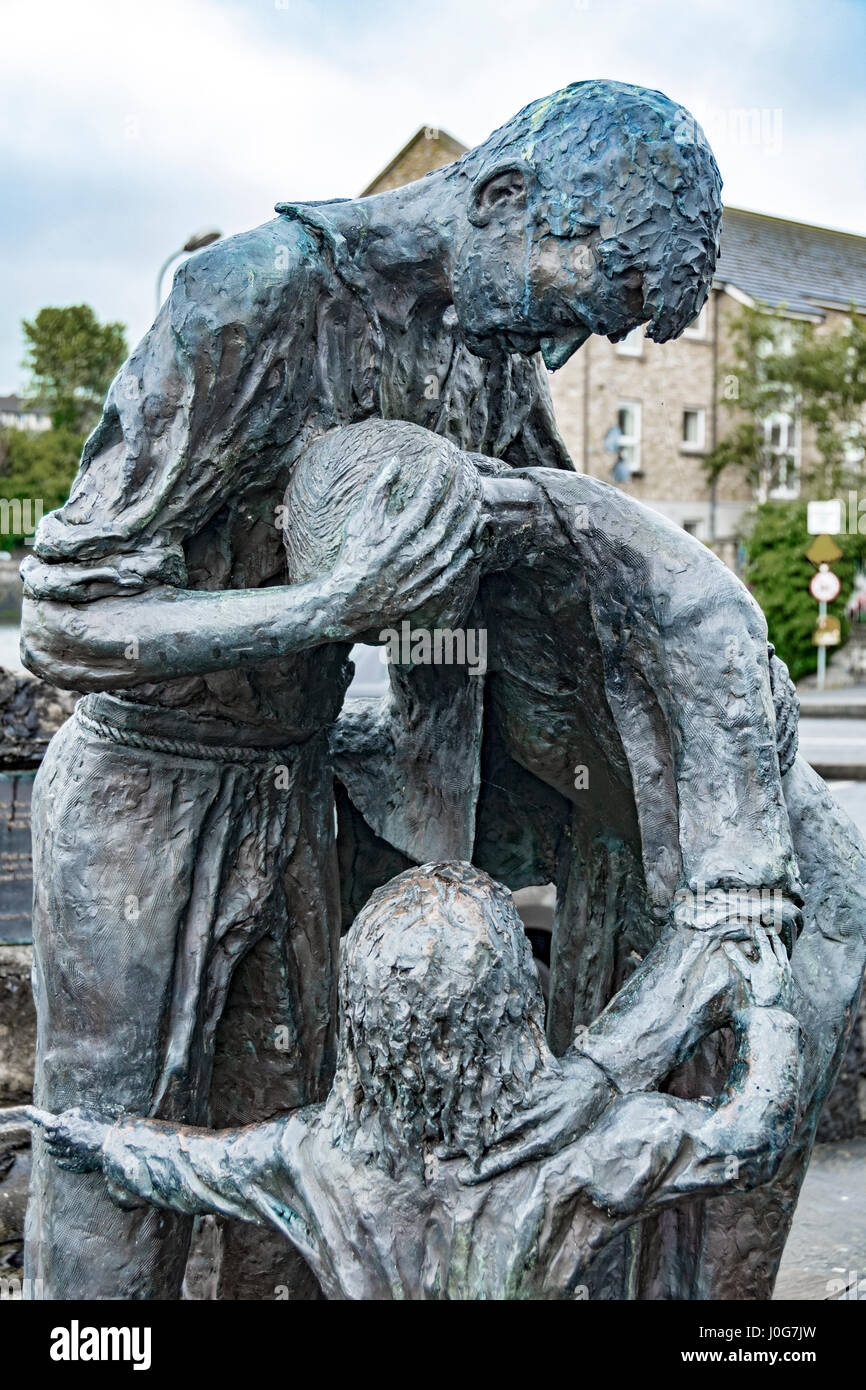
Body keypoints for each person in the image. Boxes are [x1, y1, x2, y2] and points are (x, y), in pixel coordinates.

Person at [20, 78, 724, 1298]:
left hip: (293, 795)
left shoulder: (490, 356)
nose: (567, 351)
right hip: (142, 798)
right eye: (582, 301)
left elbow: (525, 587)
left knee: (295, 1206)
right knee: (112, 1181)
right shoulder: (248, 296)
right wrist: (320, 615)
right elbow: (64, 618)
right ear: (504, 199)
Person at [285, 417, 866, 1300]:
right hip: (618, 883)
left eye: (393, 615)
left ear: (439, 556)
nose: (387, 644)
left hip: (776, 923)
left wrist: (599, 1071)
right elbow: (452, 769)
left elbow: (743, 914)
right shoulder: (457, 599)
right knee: (591, 1240)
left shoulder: (688, 609)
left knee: (707, 1253)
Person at [24, 864, 798, 1301]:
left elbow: (191, 1167)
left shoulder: (311, 1159)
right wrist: (766, 1008)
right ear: (514, 1007)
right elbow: (748, 1140)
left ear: (362, 1021)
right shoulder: (595, 1151)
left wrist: (95, 1140)